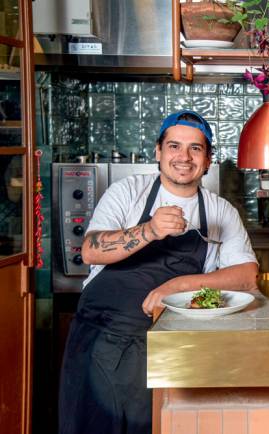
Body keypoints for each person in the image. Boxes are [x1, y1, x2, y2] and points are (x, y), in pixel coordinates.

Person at [58, 110, 258, 434]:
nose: (184, 156)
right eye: (174, 146)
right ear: (159, 152)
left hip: (164, 347)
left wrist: (178, 285)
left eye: (196, 148)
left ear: (208, 159)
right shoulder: (127, 192)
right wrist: (148, 231)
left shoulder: (220, 211)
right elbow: (91, 249)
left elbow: (248, 275)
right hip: (100, 339)